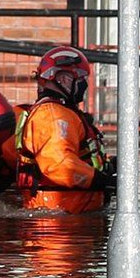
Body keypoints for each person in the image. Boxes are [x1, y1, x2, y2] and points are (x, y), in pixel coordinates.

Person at [8, 46, 114, 214]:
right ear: (64, 78)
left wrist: (109, 166)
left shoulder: (61, 113)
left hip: (73, 215)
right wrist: (102, 181)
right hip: (58, 225)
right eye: (81, 79)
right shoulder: (53, 116)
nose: (84, 85)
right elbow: (58, 164)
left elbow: (77, 155)